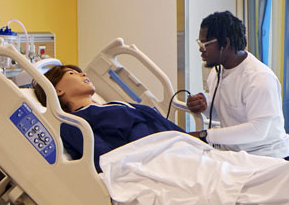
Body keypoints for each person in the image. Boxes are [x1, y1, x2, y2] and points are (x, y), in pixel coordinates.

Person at [187, 10, 289, 159]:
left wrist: (205, 135)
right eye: (200, 42)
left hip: (268, 157)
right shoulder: (216, 73)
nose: (201, 48)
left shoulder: (259, 78)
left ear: (226, 43)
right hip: (236, 156)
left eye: (206, 43)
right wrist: (205, 104)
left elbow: (257, 130)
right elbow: (233, 110)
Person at [39, 63, 189, 165]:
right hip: (155, 162)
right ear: (57, 90)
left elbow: (168, 128)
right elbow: (106, 161)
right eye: (72, 73)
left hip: (179, 151)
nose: (83, 73)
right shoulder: (75, 123)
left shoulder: (114, 105)